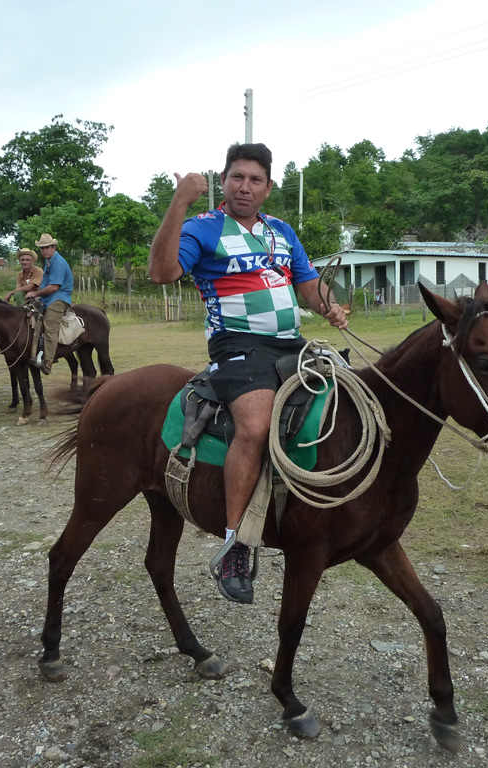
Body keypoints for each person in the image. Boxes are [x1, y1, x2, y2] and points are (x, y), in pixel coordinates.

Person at [149, 142, 348, 604]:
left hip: (291, 343)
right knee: (256, 425)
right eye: (237, 177)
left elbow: (305, 283)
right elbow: (161, 272)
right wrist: (179, 202)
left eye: (255, 179)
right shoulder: (202, 227)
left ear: (268, 187)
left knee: (350, 394)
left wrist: (329, 305)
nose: (245, 186)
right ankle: (236, 543)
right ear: (223, 181)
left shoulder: (282, 232)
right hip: (238, 344)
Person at [26, 233, 74, 376]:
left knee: (50, 326)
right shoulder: (49, 261)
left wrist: (35, 294)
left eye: (47, 247)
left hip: (59, 298)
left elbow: (54, 287)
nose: (44, 250)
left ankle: (48, 362)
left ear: (54, 247)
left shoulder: (57, 263)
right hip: (49, 297)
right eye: (42, 248)